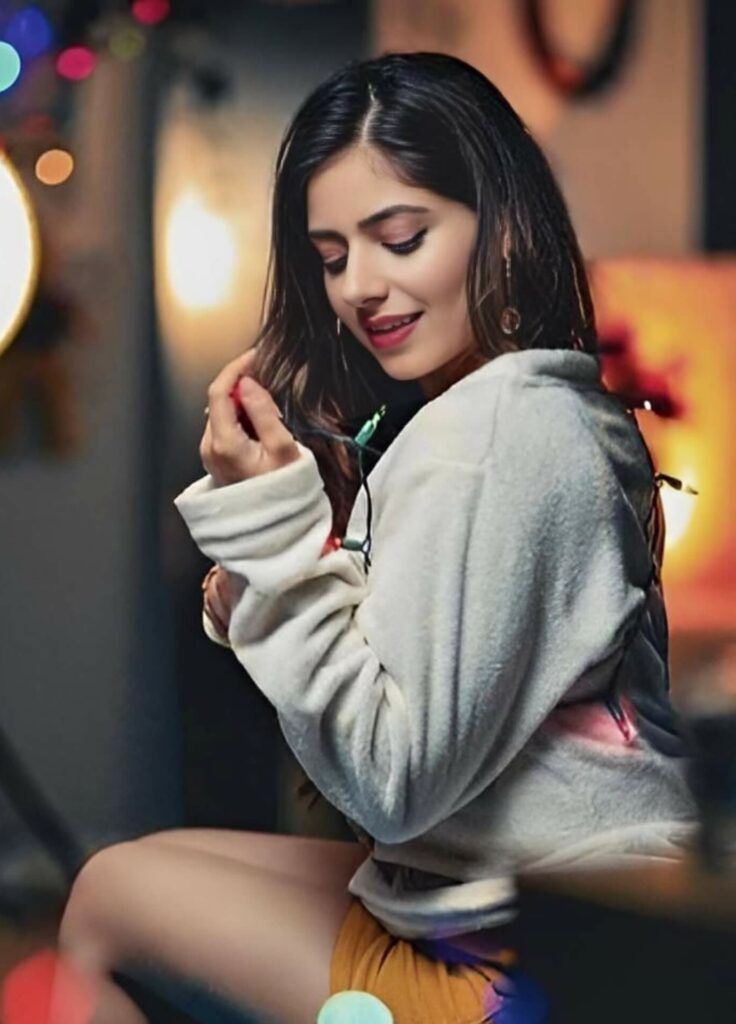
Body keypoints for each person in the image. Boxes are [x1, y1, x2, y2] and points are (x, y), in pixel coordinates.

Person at [56, 51, 698, 1024]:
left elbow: (388, 782)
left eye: (399, 237)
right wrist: (281, 580)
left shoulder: (487, 436)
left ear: (499, 223)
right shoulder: (534, 408)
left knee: (106, 900)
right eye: (330, 254)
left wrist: (280, 547)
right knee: (133, 868)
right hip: (557, 910)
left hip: (523, 969)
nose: (359, 285)